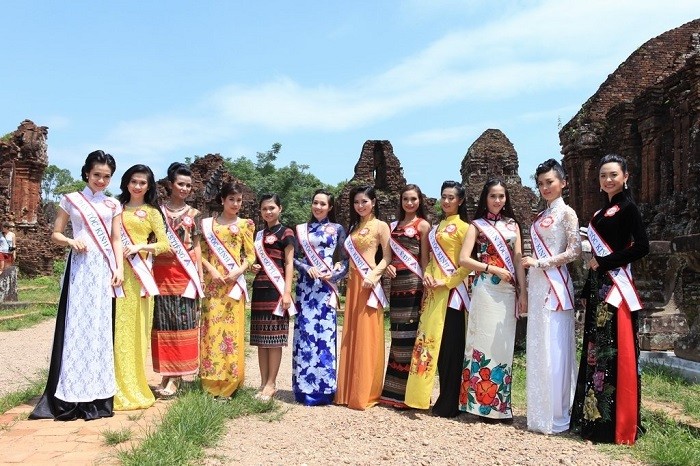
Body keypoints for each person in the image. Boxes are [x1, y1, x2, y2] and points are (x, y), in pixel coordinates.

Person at [30, 150, 124, 420]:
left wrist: (118, 268)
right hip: (80, 270)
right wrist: (71, 241)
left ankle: (98, 397)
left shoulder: (112, 205)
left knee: (99, 330)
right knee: (76, 328)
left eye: (106, 177)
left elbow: (116, 239)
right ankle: (69, 396)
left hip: (104, 270)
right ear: (86, 173)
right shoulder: (71, 200)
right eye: (97, 175)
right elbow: (55, 234)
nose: (101, 181)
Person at [570, 154, 649, 445]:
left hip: (616, 288)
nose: (608, 180)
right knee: (596, 350)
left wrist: (605, 263)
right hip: (599, 289)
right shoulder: (601, 212)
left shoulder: (629, 208)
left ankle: (615, 426)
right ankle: (593, 419)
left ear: (626, 176)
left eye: (614, 174)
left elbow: (642, 247)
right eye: (603, 175)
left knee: (613, 351)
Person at [458, 178, 526, 423]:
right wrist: (491, 268)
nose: (498, 201)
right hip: (485, 289)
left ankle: (499, 406)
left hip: (508, 292)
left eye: (501, 196)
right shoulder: (476, 225)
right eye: (493, 196)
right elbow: (464, 259)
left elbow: (518, 260)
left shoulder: (513, 225)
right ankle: (475, 405)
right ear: (485, 198)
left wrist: (523, 293)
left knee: (502, 346)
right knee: (481, 344)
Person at [521, 159, 581, 434]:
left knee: (555, 347)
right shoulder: (539, 216)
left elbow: (574, 252)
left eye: (550, 182)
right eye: (541, 183)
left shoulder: (567, 213)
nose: (545, 187)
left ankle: (557, 414)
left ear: (563, 182)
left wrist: (541, 263)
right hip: (538, 286)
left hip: (556, 286)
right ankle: (540, 412)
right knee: (539, 344)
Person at [405, 181, 470, 417]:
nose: (446, 201)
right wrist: (430, 277)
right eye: (444, 196)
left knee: (452, 348)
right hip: (434, 293)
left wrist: (448, 282)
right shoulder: (436, 228)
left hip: (453, 295)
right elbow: (431, 260)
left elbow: (467, 263)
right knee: (432, 347)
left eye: (452, 197)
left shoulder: (465, 228)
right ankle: (421, 397)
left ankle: (450, 402)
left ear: (460, 201)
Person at [113, 165, 170, 411]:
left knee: (136, 331)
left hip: (139, 278)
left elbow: (165, 244)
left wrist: (140, 247)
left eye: (142, 183)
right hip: (115, 276)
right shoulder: (115, 207)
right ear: (126, 183)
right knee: (114, 330)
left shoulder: (152, 213)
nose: (137, 186)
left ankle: (134, 385)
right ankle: (110, 385)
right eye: (134, 181)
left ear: (149, 186)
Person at [335, 185, 392, 410]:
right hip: (353, 284)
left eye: (364, 202)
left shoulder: (380, 226)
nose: (360, 206)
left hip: (369, 284)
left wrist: (374, 275)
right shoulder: (353, 227)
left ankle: (365, 392)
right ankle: (348, 391)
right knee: (351, 333)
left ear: (374, 202)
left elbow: (387, 257)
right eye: (357, 202)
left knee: (367, 335)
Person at [151, 162, 204, 398]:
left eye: (188, 186)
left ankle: (177, 378)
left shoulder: (194, 215)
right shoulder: (157, 211)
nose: (184, 189)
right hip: (160, 275)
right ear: (171, 184)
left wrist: (200, 277)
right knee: (163, 326)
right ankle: (165, 374)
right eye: (180, 184)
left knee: (183, 325)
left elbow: (198, 247)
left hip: (185, 276)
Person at [292, 189, 348, 405]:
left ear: (330, 207)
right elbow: (294, 257)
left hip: (325, 288)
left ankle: (325, 389)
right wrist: (306, 267)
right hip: (306, 288)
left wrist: (334, 274)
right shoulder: (301, 230)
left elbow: (345, 260)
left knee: (325, 337)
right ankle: (303, 388)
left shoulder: (337, 229)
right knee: (305, 335)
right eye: (315, 203)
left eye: (323, 204)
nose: (318, 207)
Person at [200, 182, 255, 400]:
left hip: (233, 285)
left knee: (231, 333)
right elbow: (200, 252)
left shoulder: (245, 225)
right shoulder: (208, 225)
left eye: (239, 200)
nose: (235, 204)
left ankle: (230, 383)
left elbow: (250, 255)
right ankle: (211, 382)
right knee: (211, 331)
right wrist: (212, 270)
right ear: (222, 200)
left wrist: (238, 271)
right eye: (231, 199)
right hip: (213, 285)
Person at [380, 184, 430, 408]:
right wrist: (388, 265)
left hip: (414, 283)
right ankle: (393, 393)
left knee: (411, 336)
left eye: (413, 199)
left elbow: (425, 259)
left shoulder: (424, 225)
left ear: (420, 201)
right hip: (396, 285)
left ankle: (413, 395)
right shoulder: (392, 226)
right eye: (406, 199)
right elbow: (387, 256)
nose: (409, 203)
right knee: (397, 334)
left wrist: (426, 290)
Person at [251, 193, 296, 401]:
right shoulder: (258, 235)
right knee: (261, 339)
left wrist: (287, 291)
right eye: (264, 209)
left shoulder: (286, 232)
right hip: (259, 289)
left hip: (276, 291)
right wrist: (253, 266)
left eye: (272, 208)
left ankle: (272, 383)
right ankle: (262, 382)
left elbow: (288, 263)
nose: (268, 212)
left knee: (274, 339)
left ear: (280, 208)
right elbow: (255, 260)